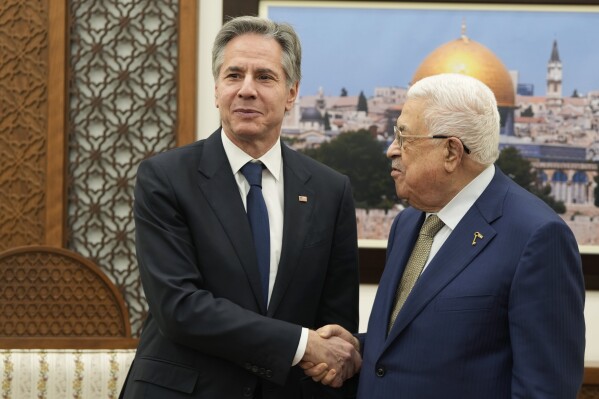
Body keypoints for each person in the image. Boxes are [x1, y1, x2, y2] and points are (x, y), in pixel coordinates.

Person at [119, 16, 361, 399]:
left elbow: (336, 321)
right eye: (234, 75)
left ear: (292, 92)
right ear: (216, 89)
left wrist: (336, 352)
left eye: (264, 77)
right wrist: (301, 344)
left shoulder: (331, 191)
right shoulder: (165, 178)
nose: (246, 90)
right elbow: (179, 307)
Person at [304, 73, 585, 398]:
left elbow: (545, 390)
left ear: (452, 151)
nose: (391, 150)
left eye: (404, 137)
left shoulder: (537, 238)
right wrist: (357, 349)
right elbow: (423, 344)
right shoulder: (408, 224)